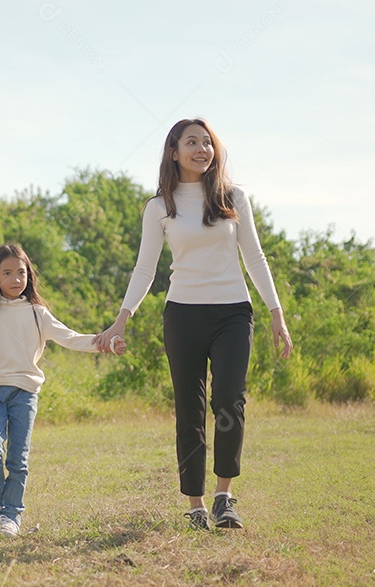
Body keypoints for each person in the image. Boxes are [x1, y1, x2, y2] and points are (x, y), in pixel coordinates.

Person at [95, 118, 293, 531]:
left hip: (233, 313)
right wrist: (121, 320)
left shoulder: (233, 196)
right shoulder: (159, 207)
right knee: (189, 409)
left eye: (207, 143)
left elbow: (255, 258)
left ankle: (224, 497)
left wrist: (276, 313)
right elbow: (144, 269)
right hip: (183, 314)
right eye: (192, 142)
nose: (202, 149)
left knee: (230, 402)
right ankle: (196, 505)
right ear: (174, 151)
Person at [0, 243, 126, 537]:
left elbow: (70, 338)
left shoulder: (38, 313)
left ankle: (11, 515)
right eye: (7, 273)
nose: (16, 279)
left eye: (21, 272)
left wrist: (105, 342)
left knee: (18, 459)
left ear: (29, 276)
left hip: (25, 394)